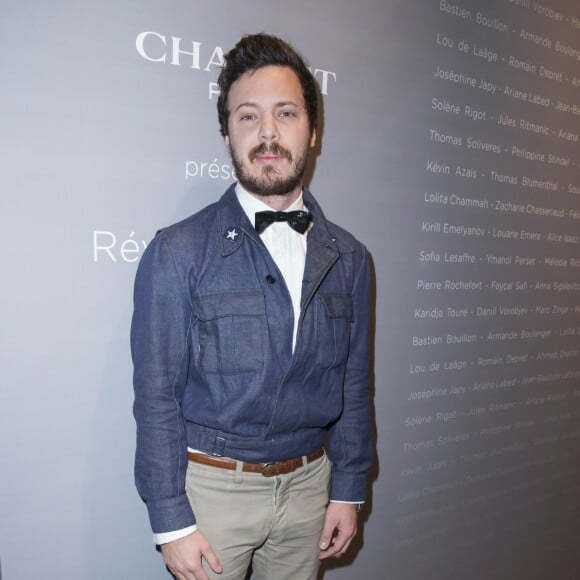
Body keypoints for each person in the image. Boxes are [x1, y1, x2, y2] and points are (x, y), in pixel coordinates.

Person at [131, 33, 372, 580]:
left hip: (312, 487)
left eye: (286, 113)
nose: (268, 133)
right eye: (248, 117)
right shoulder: (177, 252)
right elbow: (156, 394)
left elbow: (354, 386)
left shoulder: (352, 258)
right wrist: (171, 522)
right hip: (213, 493)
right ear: (227, 135)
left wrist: (348, 488)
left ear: (312, 132)